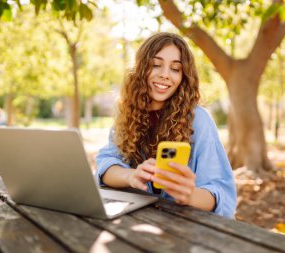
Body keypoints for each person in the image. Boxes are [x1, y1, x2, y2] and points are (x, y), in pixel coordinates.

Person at [95, 32, 236, 218]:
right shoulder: (128, 114)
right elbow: (106, 164)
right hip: (143, 222)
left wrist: (189, 195)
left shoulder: (198, 120)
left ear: (183, 76)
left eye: (175, 69)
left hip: (189, 227)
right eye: (156, 65)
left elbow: (220, 193)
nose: (165, 75)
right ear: (141, 69)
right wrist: (131, 176)